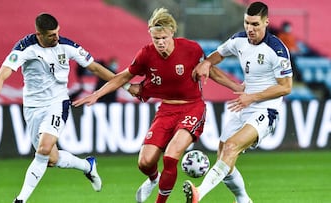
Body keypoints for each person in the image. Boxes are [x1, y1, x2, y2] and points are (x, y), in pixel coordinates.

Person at [73, 7, 242, 203]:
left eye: (163, 38)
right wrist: (97, 94)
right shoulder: (146, 54)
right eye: (156, 38)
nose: (160, 42)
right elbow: (123, 77)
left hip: (192, 107)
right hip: (166, 110)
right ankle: (154, 179)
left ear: (172, 33)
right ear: (150, 36)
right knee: (145, 163)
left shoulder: (191, 49)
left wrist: (235, 86)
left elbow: (210, 70)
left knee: (170, 157)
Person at [0, 13, 117, 203]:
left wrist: (125, 84)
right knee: (51, 159)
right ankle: (88, 166)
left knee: (44, 149)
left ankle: (20, 200)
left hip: (57, 103)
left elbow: (95, 67)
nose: (56, 37)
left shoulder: (66, 45)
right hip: (32, 107)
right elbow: (1, 75)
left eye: (57, 33)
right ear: (39, 34)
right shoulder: (25, 48)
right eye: (51, 35)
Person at [182, 2, 293, 203]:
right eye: (247, 23)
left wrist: (252, 96)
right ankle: (243, 200)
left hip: (265, 110)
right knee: (224, 154)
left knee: (232, 147)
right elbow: (219, 53)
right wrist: (207, 62)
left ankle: (199, 193)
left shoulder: (276, 50)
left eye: (255, 24)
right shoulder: (239, 39)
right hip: (243, 106)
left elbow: (286, 87)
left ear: (266, 22)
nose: (250, 29)